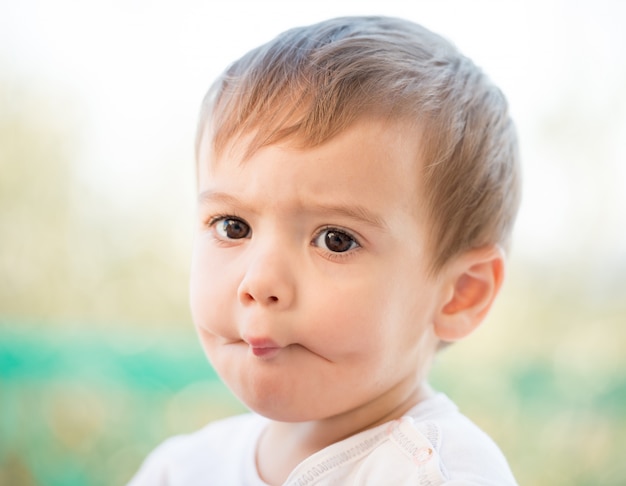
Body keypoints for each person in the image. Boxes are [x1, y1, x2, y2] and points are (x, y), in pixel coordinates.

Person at [129, 16, 520, 485]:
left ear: (460, 293)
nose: (260, 282)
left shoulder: (436, 472)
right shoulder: (180, 470)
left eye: (335, 239)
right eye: (233, 227)